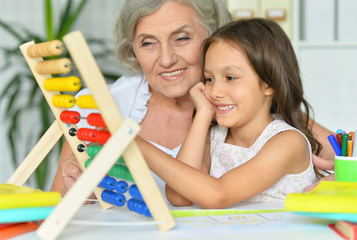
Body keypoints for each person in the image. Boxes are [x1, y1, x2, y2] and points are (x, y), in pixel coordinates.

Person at [51, 0, 334, 198]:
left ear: (214, 38)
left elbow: (347, 153)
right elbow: (59, 204)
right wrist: (78, 190)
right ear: (133, 49)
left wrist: (339, 183)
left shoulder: (251, 106)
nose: (166, 59)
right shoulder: (100, 108)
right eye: (148, 43)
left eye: (182, 38)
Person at [135, 18, 324, 208]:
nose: (215, 91)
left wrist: (136, 144)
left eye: (230, 77)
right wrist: (202, 115)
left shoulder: (288, 142)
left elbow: (218, 194)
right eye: (209, 79)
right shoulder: (214, 136)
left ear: (269, 84)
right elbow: (178, 197)